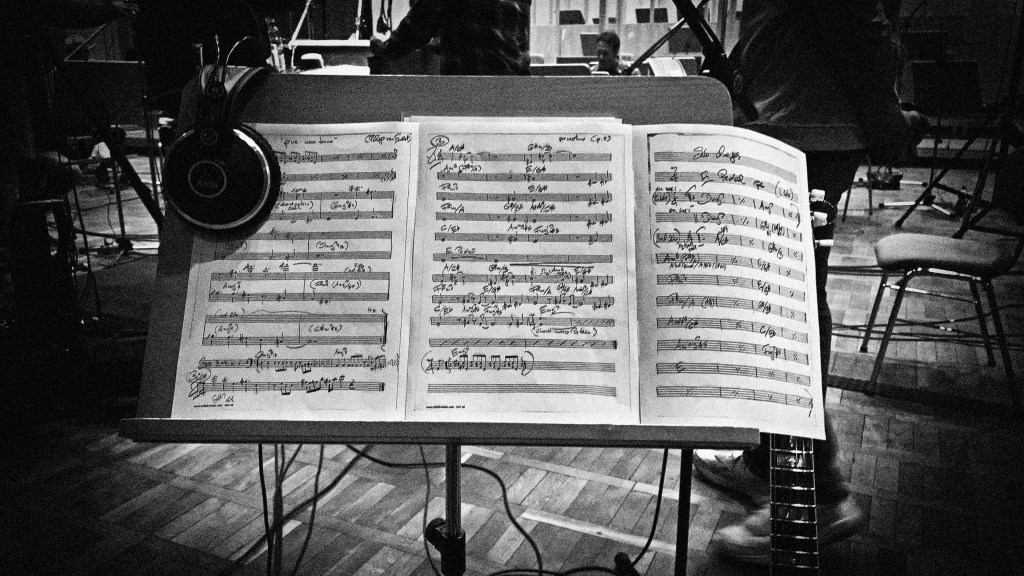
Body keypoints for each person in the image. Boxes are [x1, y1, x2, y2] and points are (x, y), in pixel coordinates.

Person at [690, 0, 925, 565]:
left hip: (809, 133)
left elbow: (859, 24)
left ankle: (812, 493)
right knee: (776, 303)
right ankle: (766, 463)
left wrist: (887, 121)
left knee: (784, 312)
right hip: (788, 121)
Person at [368, 0, 532, 75]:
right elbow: (508, 40)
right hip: (514, 87)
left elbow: (415, 30)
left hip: (467, 87)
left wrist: (384, 48)